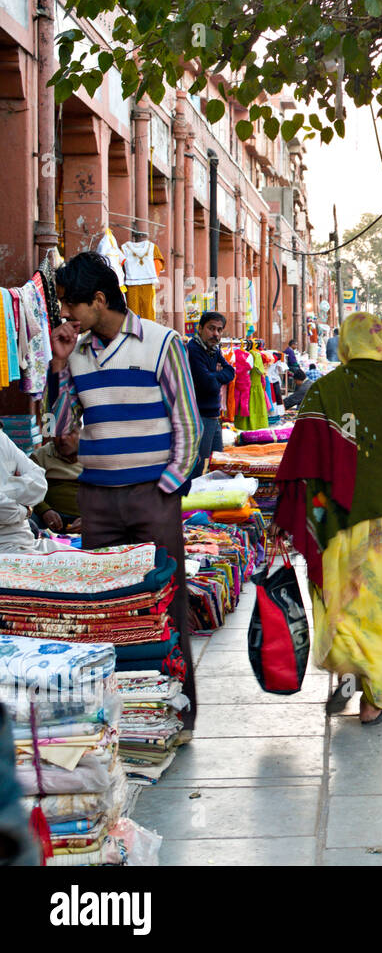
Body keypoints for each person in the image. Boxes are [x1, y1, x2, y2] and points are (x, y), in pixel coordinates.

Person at [47, 251, 201, 733]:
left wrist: (167, 487)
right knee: (106, 610)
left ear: (98, 299)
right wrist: (59, 364)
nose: (66, 317)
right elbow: (64, 435)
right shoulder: (77, 354)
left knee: (166, 603)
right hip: (97, 501)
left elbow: (189, 425)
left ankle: (180, 710)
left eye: (71, 307)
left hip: (151, 497)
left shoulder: (161, 343)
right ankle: (122, 721)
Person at [273, 313, 382, 725]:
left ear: (348, 344)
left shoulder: (326, 389)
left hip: (335, 517)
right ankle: (373, 699)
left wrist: (289, 513)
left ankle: (347, 669)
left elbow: (302, 455)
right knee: (380, 608)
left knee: (341, 599)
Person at [187, 311, 236, 477]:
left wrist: (213, 375)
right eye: (211, 328)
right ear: (200, 328)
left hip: (214, 416)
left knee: (218, 463)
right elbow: (207, 384)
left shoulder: (213, 350)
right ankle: (191, 500)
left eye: (219, 330)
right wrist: (216, 377)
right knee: (199, 466)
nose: (216, 334)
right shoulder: (194, 350)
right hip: (201, 416)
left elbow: (231, 372)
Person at [0, 429, 47, 553]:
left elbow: (39, 483)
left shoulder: (2, 439)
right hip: (5, 547)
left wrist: (6, 489)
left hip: (27, 541)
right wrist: (25, 510)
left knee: (93, 560)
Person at [31, 429, 82, 534]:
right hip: (47, 521)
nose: (63, 438)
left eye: (69, 432)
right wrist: (44, 510)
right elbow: (29, 489)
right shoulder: (40, 455)